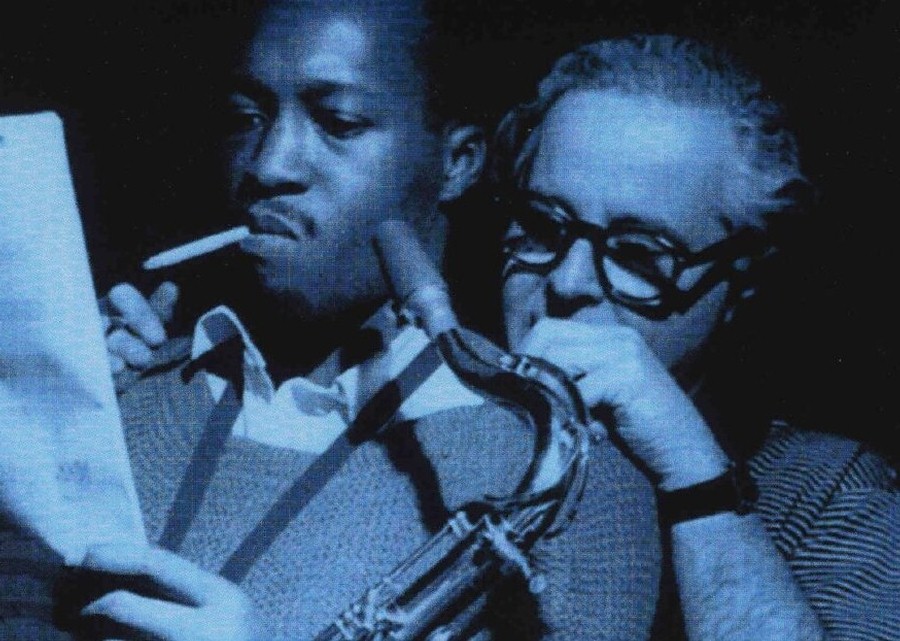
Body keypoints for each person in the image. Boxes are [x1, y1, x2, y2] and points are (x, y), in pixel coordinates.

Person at [3, 3, 662, 640]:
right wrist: (37, 423)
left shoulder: (568, 473)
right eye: (246, 117)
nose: (269, 165)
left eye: (338, 122)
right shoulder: (125, 388)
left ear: (458, 161)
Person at [489, 34, 899, 641]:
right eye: (543, 225)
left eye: (637, 253)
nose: (567, 282)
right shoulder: (407, 429)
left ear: (741, 283)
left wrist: (695, 480)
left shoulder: (829, 496)